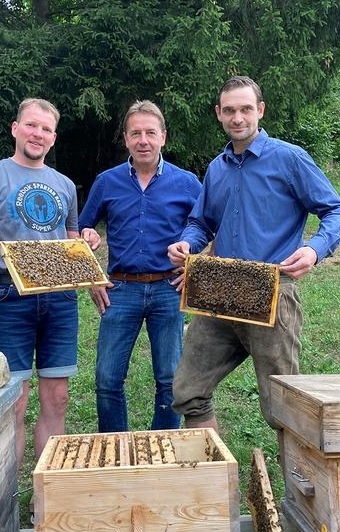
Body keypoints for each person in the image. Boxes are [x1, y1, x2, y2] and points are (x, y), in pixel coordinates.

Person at [167, 76, 340, 454]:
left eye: (245, 109)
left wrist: (315, 250)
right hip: (219, 292)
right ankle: (212, 478)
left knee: (284, 407)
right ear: (219, 114)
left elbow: (337, 212)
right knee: (188, 392)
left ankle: (300, 486)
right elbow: (201, 222)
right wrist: (188, 242)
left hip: (272, 292)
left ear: (260, 110)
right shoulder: (217, 168)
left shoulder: (289, 158)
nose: (238, 118)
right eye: (230, 110)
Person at [0, 98, 100, 469]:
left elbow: (71, 241)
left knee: (57, 398)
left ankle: (46, 490)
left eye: (46, 129)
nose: (37, 134)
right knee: (14, 401)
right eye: (31, 125)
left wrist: (87, 241)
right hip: (10, 296)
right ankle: (6, 494)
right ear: (15, 128)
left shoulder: (64, 185)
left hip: (60, 298)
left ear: (53, 137)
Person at [79, 100, 202, 432]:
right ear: (126, 138)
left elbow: (208, 227)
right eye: (136, 133)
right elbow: (80, 230)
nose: (143, 140)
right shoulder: (107, 182)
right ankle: (114, 447)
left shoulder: (187, 182)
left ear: (163, 136)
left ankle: (161, 447)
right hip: (120, 289)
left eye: (150, 132)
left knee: (169, 378)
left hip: (168, 288)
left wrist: (195, 269)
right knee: (107, 378)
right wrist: (91, 275)